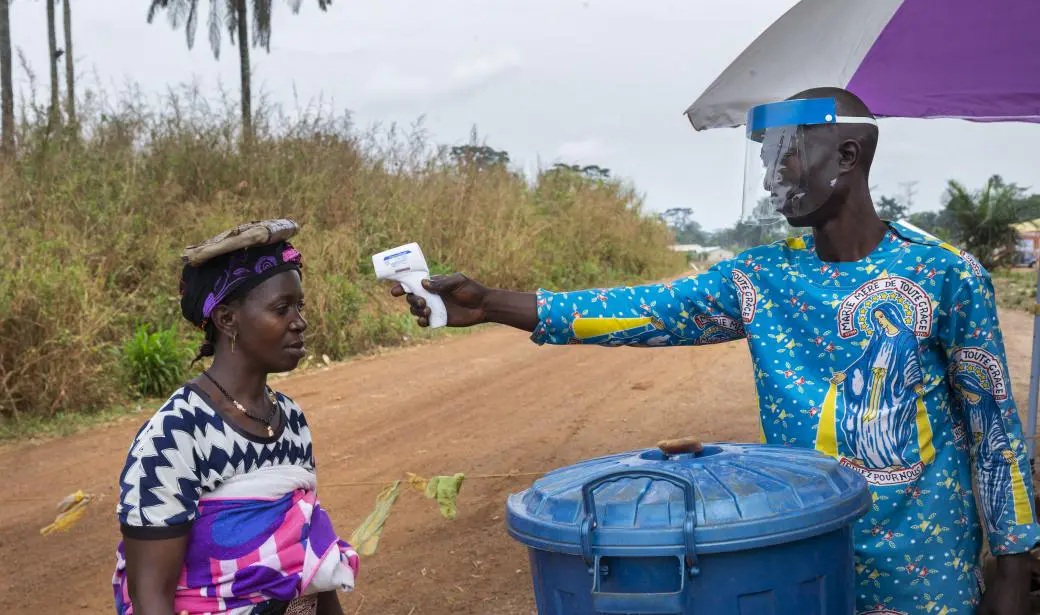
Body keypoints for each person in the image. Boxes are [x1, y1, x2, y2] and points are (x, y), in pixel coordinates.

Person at [391, 88, 1039, 614]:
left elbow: (995, 429)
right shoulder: (760, 278)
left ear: (846, 155)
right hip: (799, 557)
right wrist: (490, 304)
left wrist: (1013, 567)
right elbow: (645, 310)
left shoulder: (944, 273)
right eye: (767, 159)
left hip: (925, 570)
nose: (773, 175)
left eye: (786, 154)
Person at [113, 220, 358, 615]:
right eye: (282, 308)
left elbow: (307, 560)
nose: (300, 321)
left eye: (300, 306)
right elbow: (151, 598)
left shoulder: (290, 419)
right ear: (227, 319)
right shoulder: (175, 434)